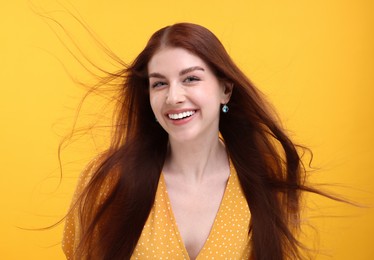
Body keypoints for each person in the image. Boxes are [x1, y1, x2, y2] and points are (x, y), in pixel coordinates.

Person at [62, 22, 321, 260]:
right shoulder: (109, 178)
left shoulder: (263, 180)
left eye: (191, 79)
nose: (173, 97)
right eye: (159, 84)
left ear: (225, 90)